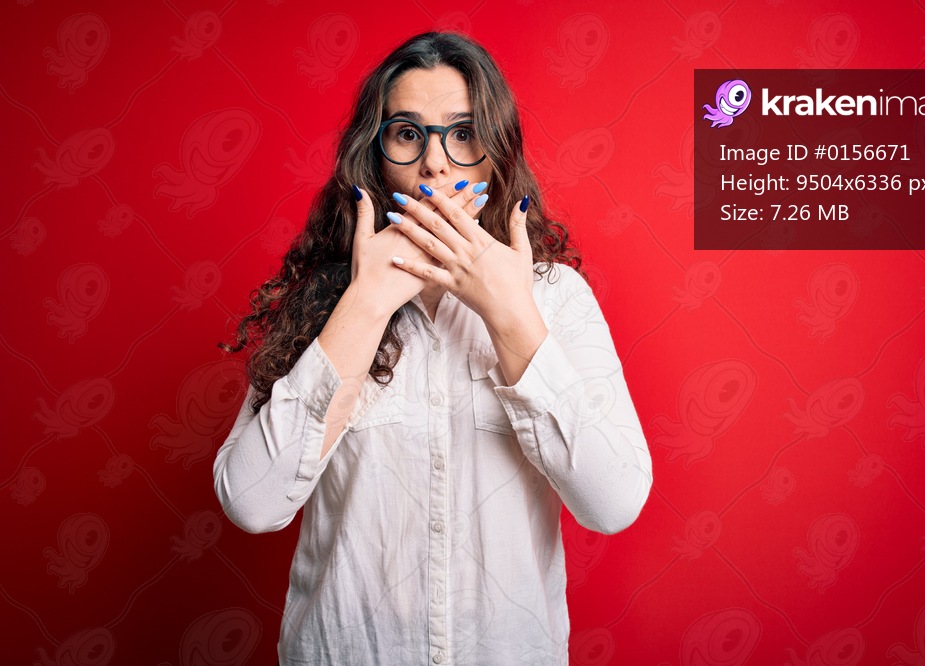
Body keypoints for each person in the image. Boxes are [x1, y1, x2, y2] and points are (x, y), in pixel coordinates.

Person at [214, 31, 652, 665]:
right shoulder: (325, 299)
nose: (436, 165)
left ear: (496, 155)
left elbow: (612, 503)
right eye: (408, 134)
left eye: (464, 133)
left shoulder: (556, 298)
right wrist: (364, 304)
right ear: (375, 157)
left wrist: (509, 314)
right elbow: (252, 503)